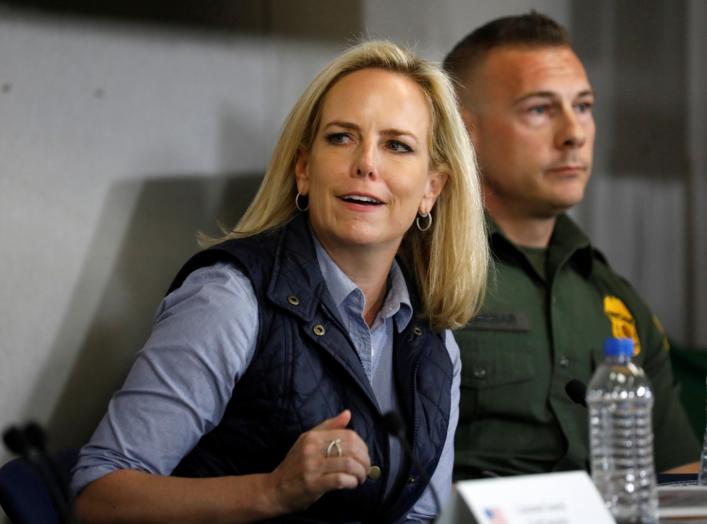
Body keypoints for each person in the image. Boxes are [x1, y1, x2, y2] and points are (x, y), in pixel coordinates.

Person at [71, 40, 488, 522]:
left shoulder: (435, 339)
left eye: (397, 145)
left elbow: (420, 514)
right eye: (341, 137)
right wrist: (271, 491)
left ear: (431, 190)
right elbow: (96, 497)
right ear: (304, 169)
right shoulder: (227, 298)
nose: (366, 164)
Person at [443, 12, 700, 479]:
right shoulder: (419, 273)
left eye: (582, 106)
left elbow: (679, 480)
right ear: (465, 132)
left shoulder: (615, 297)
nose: (574, 135)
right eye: (539, 109)